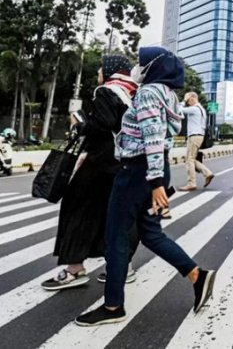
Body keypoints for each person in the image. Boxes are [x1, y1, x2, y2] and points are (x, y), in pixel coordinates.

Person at [75, 47, 215, 326]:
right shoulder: (170, 95)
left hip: (137, 171)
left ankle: (113, 306)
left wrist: (155, 183)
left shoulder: (150, 92)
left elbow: (152, 136)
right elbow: (162, 136)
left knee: (115, 236)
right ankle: (196, 276)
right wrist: (156, 178)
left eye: (141, 63)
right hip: (151, 167)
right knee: (150, 234)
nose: (137, 68)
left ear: (154, 67)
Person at [42, 55, 140, 291]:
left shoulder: (106, 91)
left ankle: (75, 269)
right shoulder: (133, 92)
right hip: (123, 163)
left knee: (76, 209)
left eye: (100, 68)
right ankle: (120, 266)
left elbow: (103, 124)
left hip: (99, 164)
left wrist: (80, 123)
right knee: (116, 215)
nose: (98, 72)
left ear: (109, 70)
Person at [179, 92, 214, 191]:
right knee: (192, 159)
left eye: (188, 100)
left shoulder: (195, 109)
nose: (188, 102)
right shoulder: (202, 109)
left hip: (194, 136)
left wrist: (183, 101)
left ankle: (191, 183)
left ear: (193, 98)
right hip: (199, 136)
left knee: (189, 160)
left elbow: (178, 110)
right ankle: (207, 173)